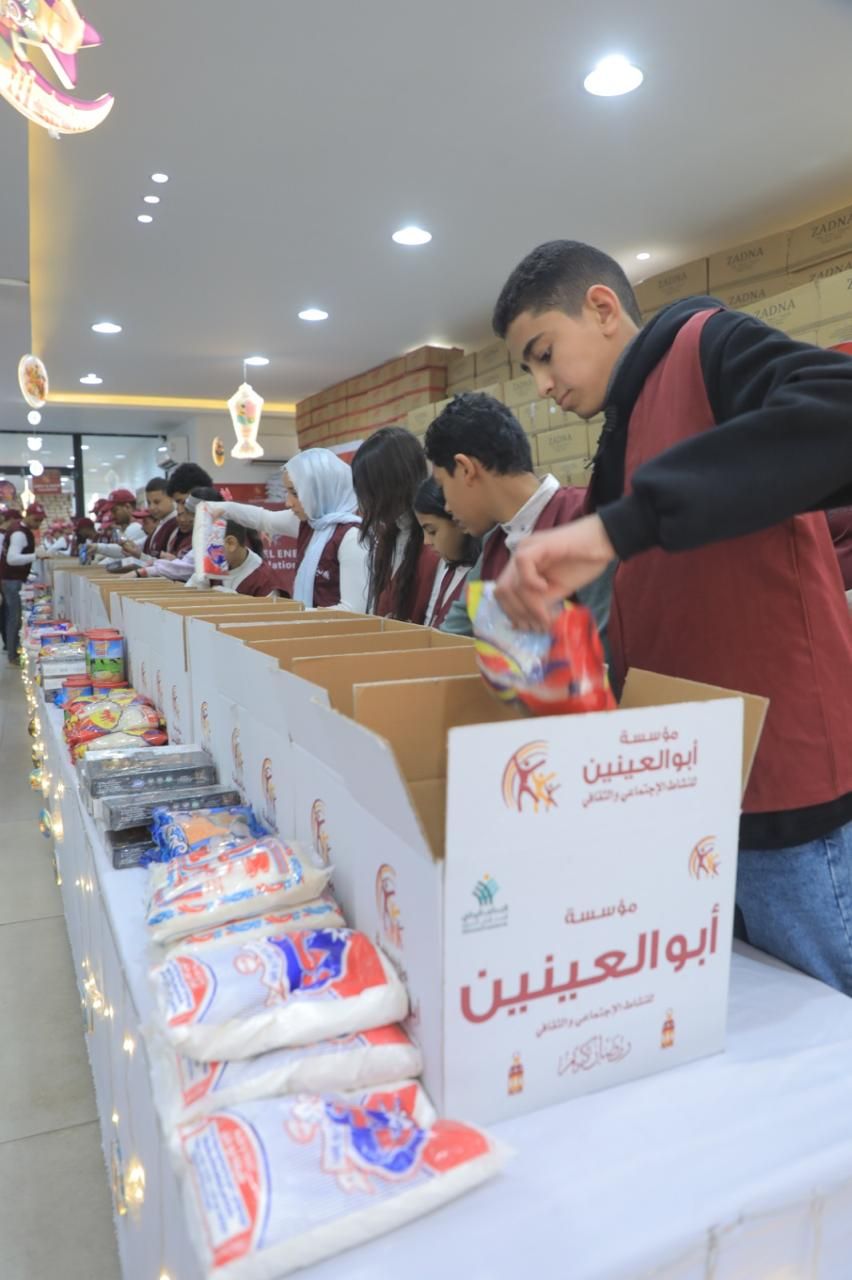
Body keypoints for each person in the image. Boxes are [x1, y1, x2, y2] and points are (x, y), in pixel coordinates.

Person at [490, 237, 852, 993]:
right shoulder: (620, 434)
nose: (543, 385)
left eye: (544, 354)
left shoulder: (707, 343)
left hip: (786, 798)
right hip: (695, 793)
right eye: (529, 369)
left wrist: (617, 527)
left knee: (824, 1021)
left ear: (602, 308)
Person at [424, 392, 612, 644]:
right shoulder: (494, 544)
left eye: (443, 485)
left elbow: (604, 654)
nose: (446, 506)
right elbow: (450, 640)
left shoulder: (584, 520)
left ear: (466, 469)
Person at [209, 448, 368, 610]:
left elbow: (353, 611)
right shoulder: (311, 523)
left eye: (295, 493)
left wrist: (294, 613)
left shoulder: (351, 538)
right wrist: (223, 508)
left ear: (319, 491)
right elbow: (264, 519)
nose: (288, 503)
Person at [350, 427, 439, 622]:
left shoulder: (434, 544)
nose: (366, 502)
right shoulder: (389, 536)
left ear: (394, 483)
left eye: (370, 490)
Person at [413, 478, 481, 629]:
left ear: (458, 520)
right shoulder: (449, 568)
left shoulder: (482, 574)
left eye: (432, 531)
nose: (426, 541)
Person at [136, 486, 218, 581]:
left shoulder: (215, 535)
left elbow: (186, 568)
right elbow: (186, 564)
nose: (184, 519)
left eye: (181, 501)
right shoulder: (198, 533)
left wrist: (144, 570)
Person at [1, 502, 47, 662]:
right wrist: (36, 555)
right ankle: (13, 654)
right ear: (27, 515)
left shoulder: (19, 529)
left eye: (41, 520)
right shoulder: (19, 533)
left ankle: (13, 651)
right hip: (11, 580)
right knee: (14, 617)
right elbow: (12, 559)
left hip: (11, 579)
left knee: (12, 616)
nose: (38, 523)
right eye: (36, 519)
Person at [221, 520, 279, 596]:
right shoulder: (209, 570)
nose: (206, 553)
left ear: (231, 543)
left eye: (211, 546)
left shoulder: (265, 581)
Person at [142, 477, 177, 556]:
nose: (151, 507)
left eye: (157, 502)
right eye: (149, 503)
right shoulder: (161, 524)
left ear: (171, 498)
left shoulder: (176, 524)